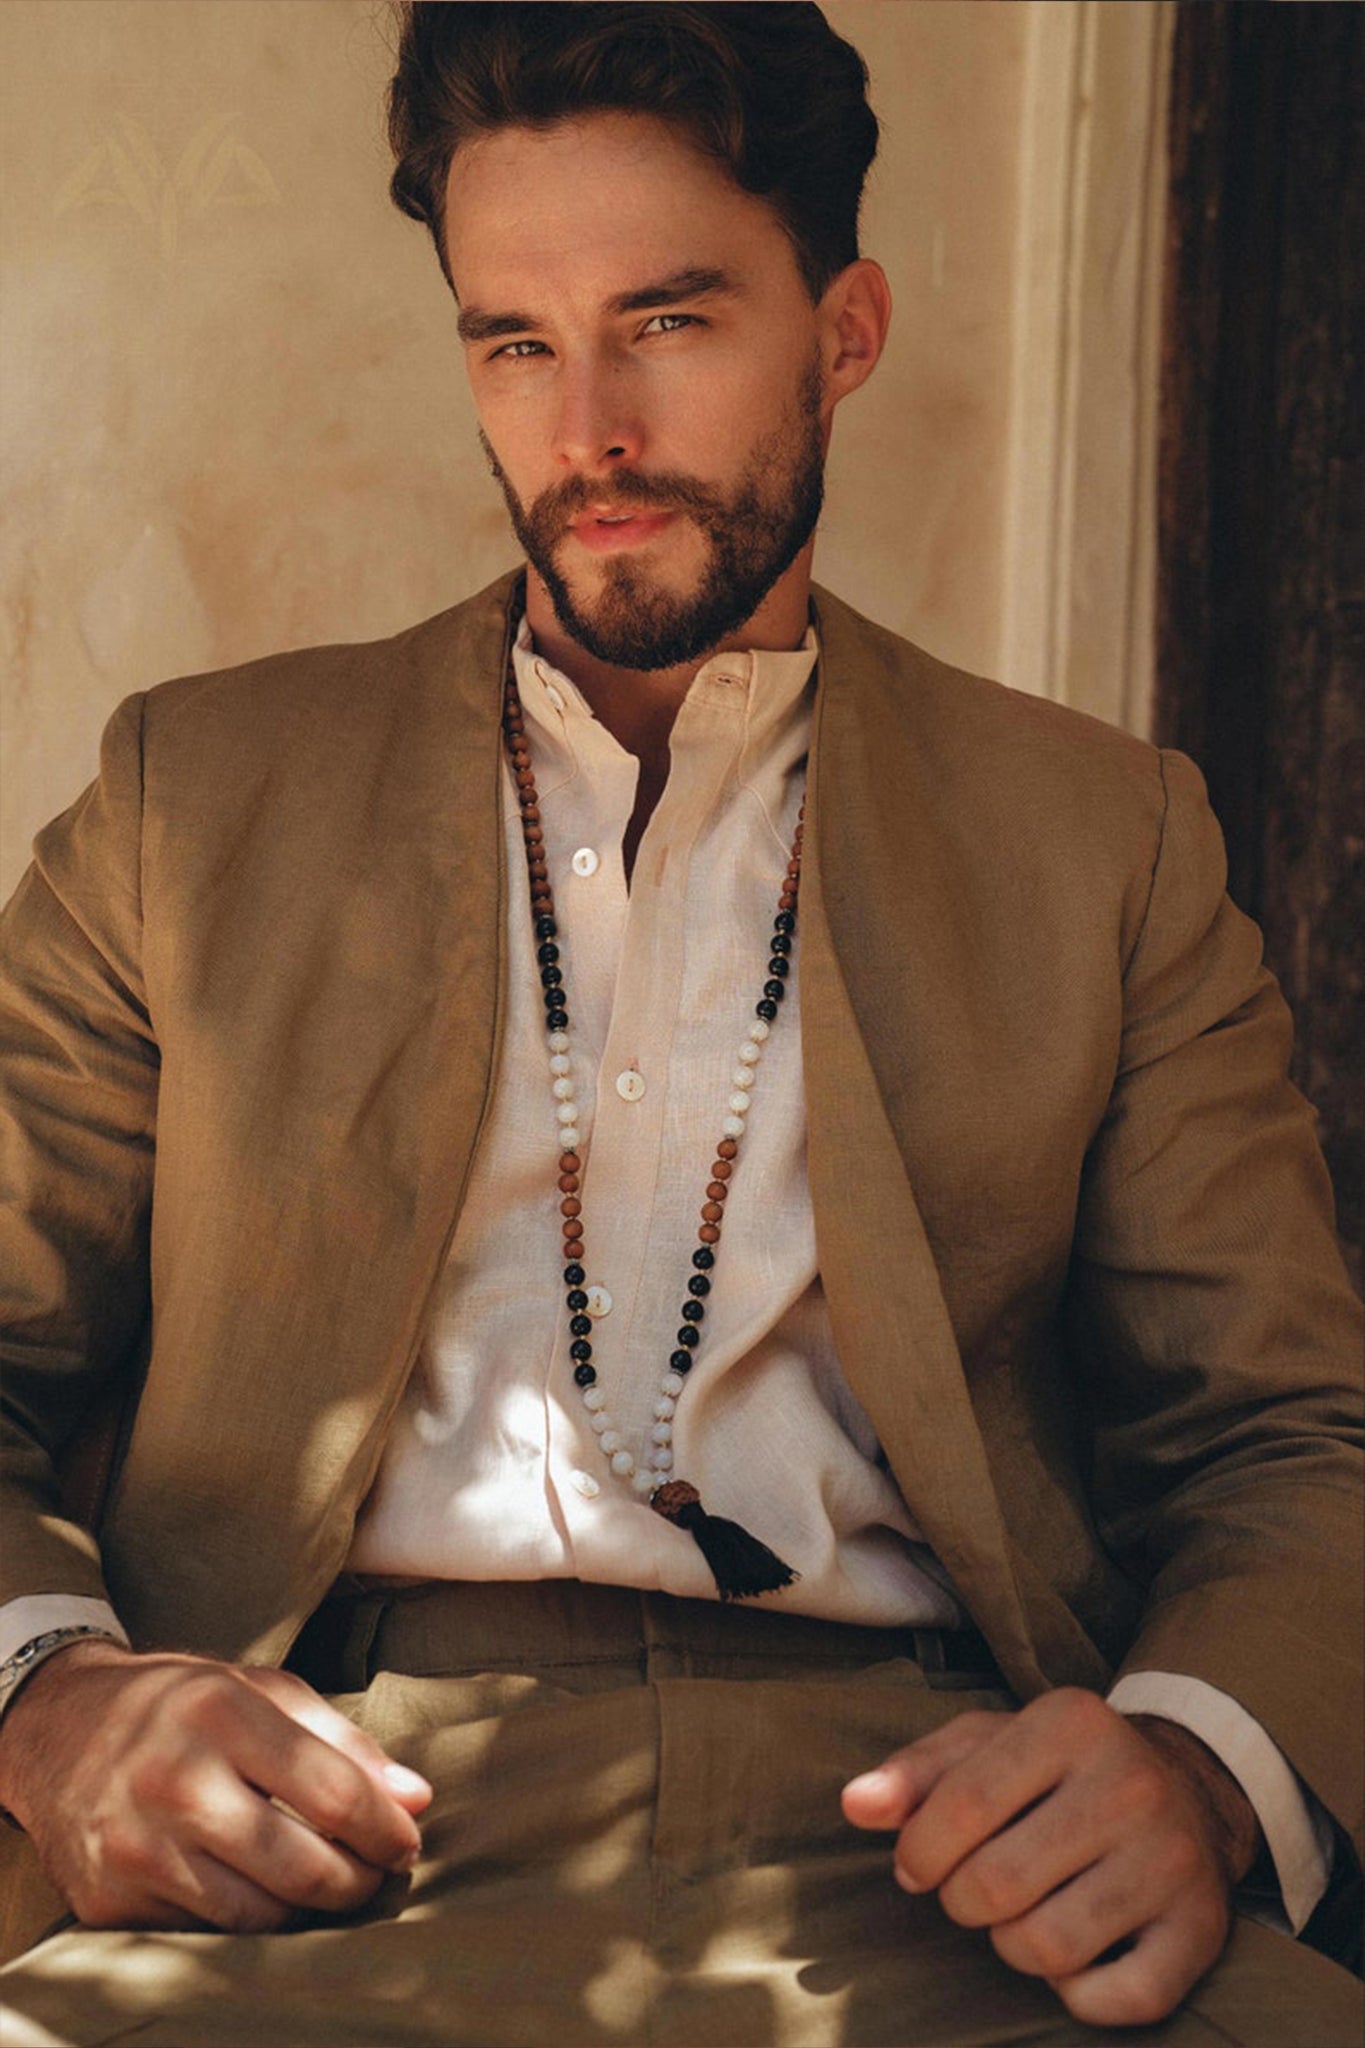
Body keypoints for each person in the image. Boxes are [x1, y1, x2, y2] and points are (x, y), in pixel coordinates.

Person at [0, 5, 1360, 2043]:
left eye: (670, 320)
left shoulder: (1100, 841)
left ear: (844, 329)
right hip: (308, 1827)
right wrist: (53, 1696)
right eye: (516, 341)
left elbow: (1285, 1437)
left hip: (930, 1831)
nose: (592, 427)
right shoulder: (192, 799)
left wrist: (1183, 1761)